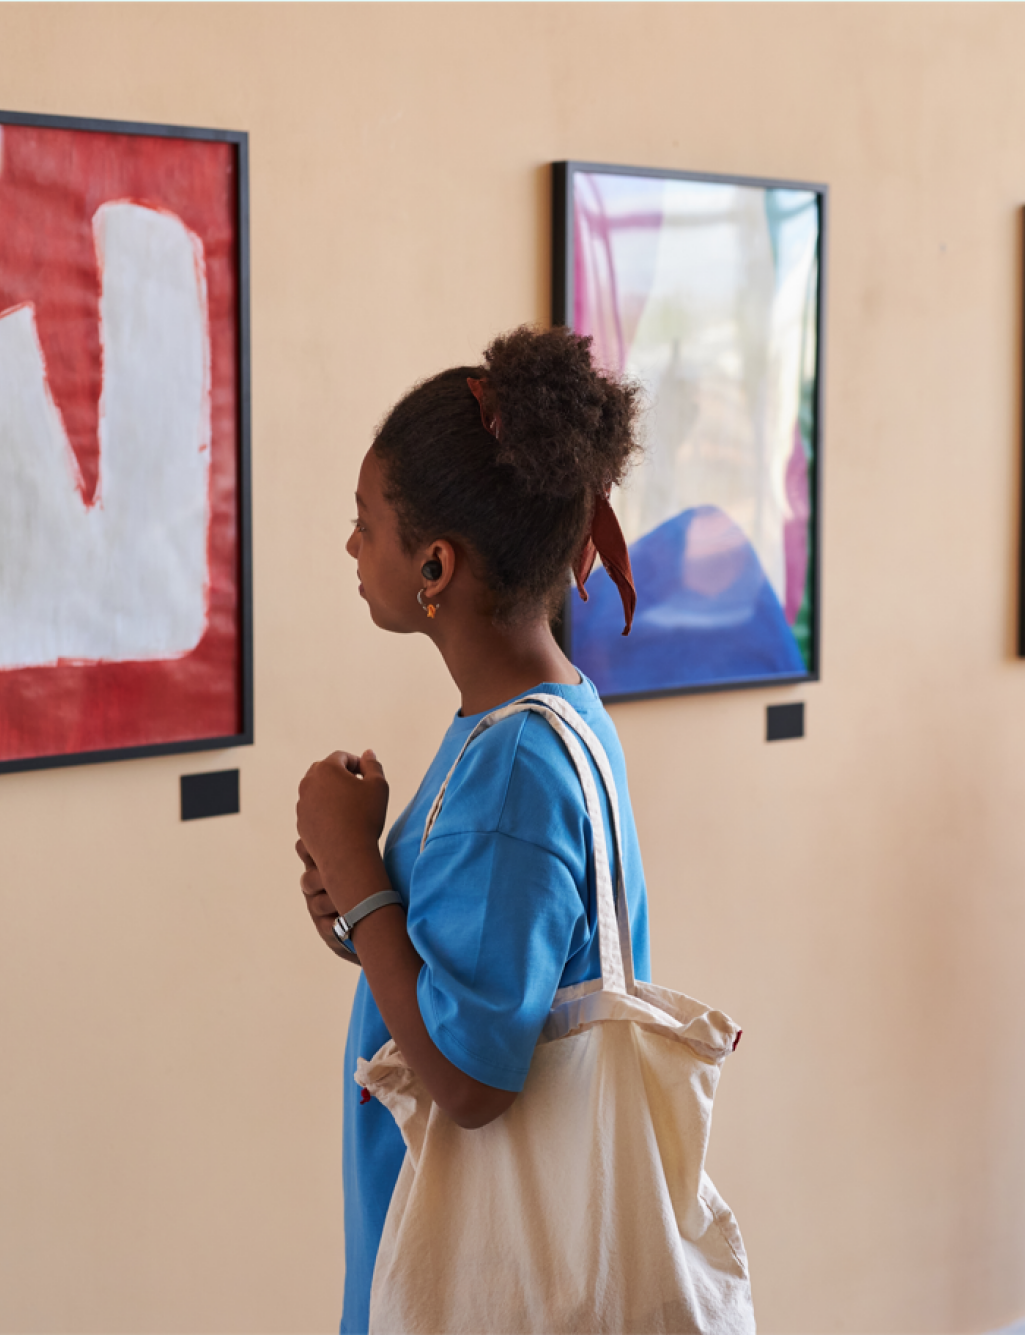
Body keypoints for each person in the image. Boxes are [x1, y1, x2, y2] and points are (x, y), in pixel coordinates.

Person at [292, 325, 651, 1332]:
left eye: (366, 524)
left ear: (435, 565)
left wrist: (358, 872)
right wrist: (359, 904)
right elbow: (469, 969)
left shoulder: (513, 770)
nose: (352, 546)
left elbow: (470, 1076)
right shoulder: (540, 719)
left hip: (478, 1278)